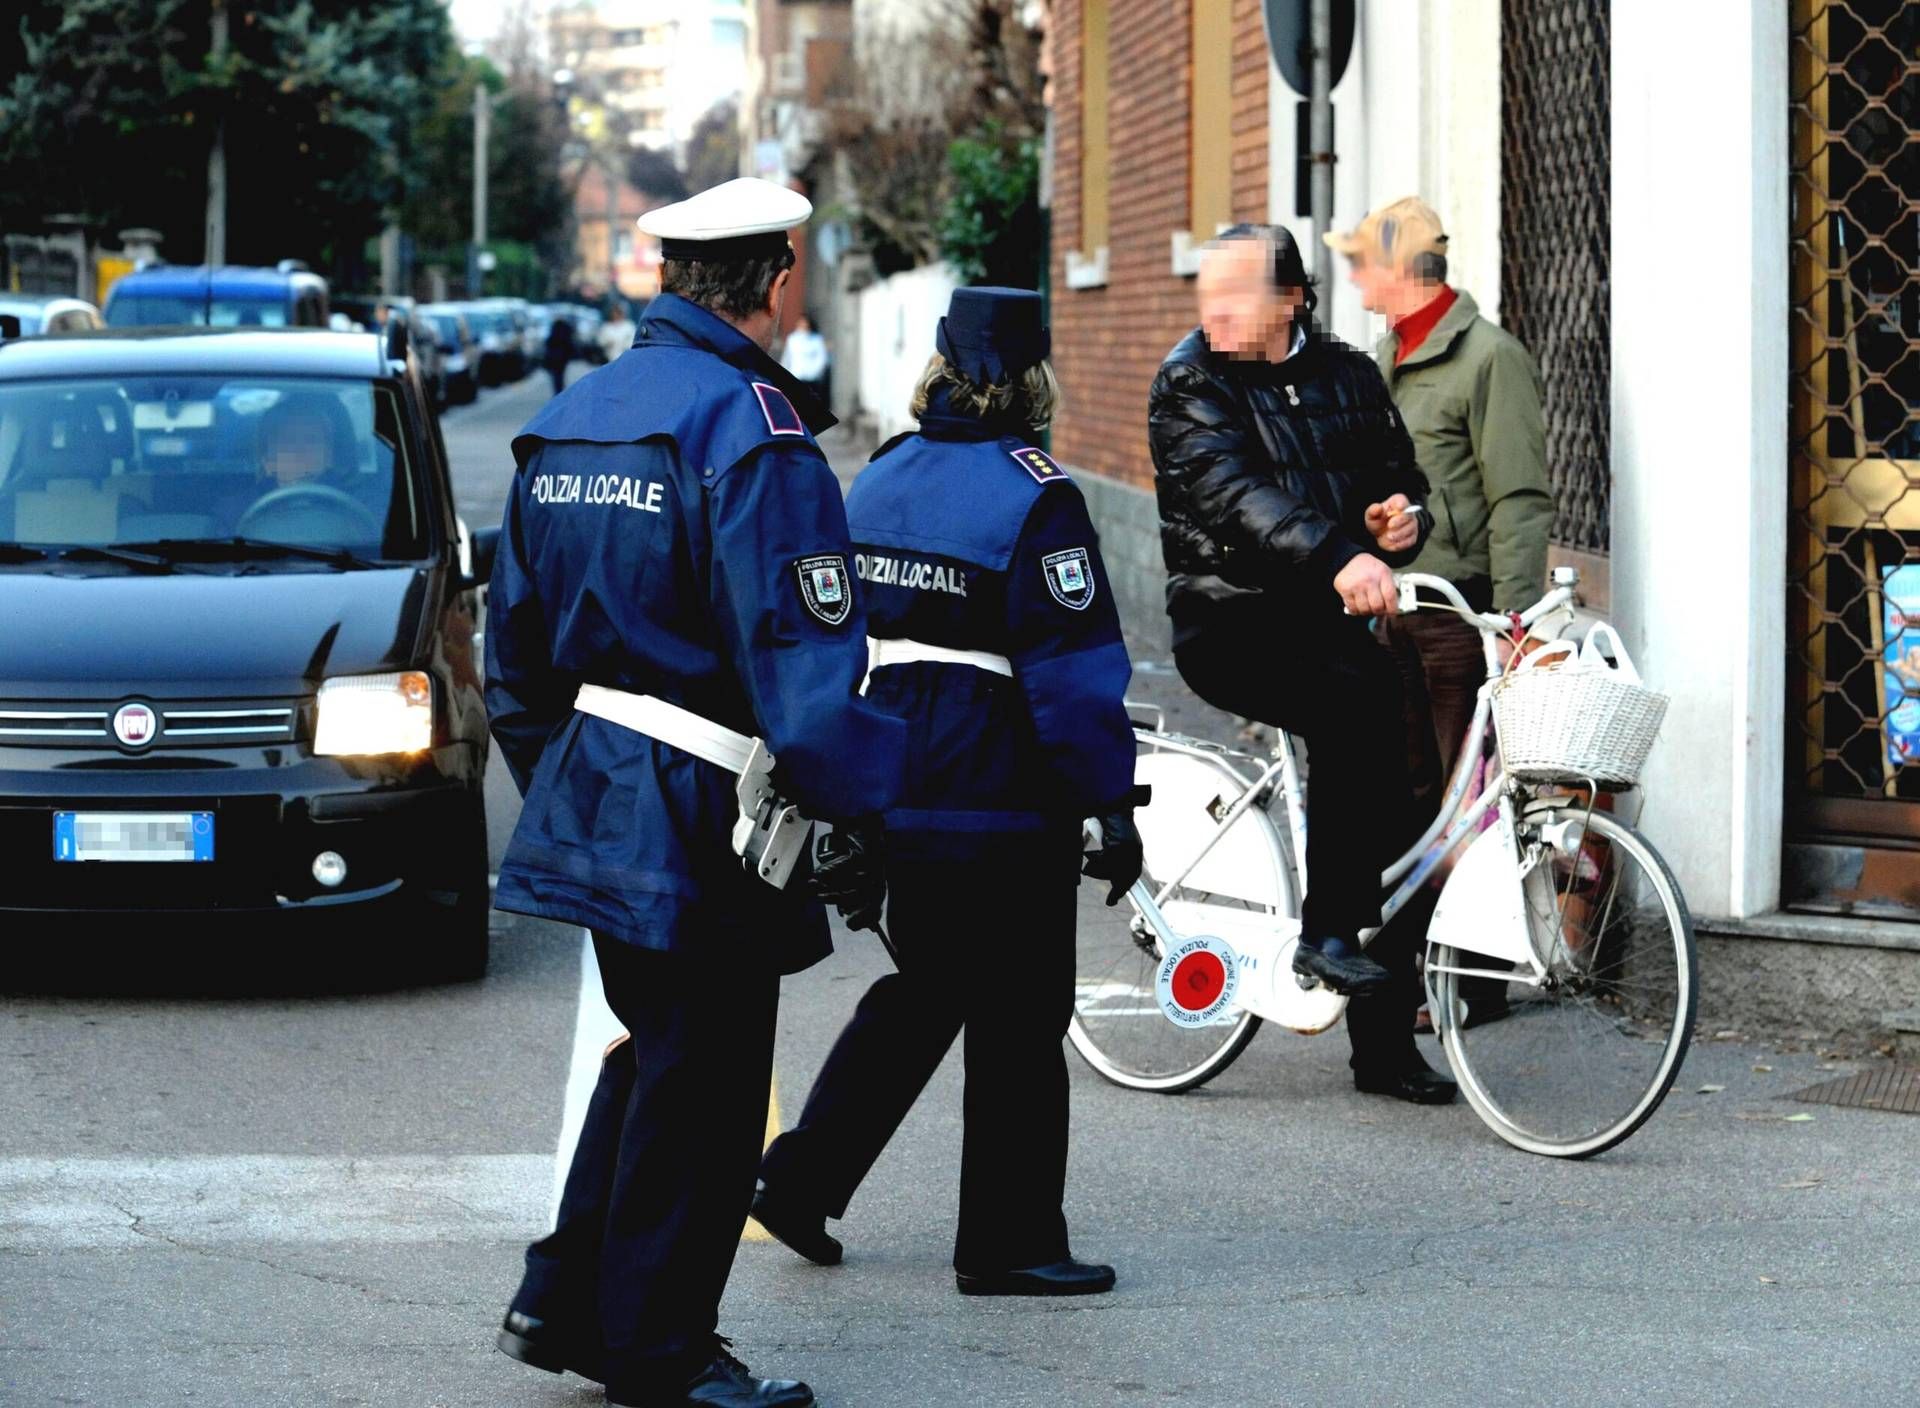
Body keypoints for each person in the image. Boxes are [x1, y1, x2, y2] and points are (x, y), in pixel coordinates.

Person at [485, 177, 906, 1408]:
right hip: (706, 802)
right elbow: (806, 666)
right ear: (778, 280)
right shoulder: (750, 429)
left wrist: (564, 785)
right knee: (711, 1082)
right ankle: (663, 1350)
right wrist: (866, 817)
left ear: (671, 276)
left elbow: (511, 655)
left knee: (660, 1050)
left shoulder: (577, 415)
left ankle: (563, 1297)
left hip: (598, 784)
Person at [750, 287, 1142, 1297]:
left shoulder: (877, 480)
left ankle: (797, 1183)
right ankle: (1009, 1241)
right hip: (1002, 801)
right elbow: (1075, 675)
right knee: (1018, 1016)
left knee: (922, 992)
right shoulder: (1035, 495)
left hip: (891, 790)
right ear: (1032, 381)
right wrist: (1109, 802)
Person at [1147, 224, 1456, 1106]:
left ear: (1292, 298)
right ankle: (1326, 931)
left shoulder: (1350, 375)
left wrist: (1402, 523)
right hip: (1231, 621)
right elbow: (1242, 500)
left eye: (1233, 293)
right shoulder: (1189, 383)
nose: (1212, 311)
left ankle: (1384, 1048)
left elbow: (1402, 483)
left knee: (1410, 809)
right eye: (1205, 292)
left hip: (1332, 622)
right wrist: (1341, 558)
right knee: (1357, 703)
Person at [1326, 197, 1554, 1031]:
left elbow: (1519, 496)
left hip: (1462, 619)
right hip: (1396, 611)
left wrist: (1516, 616)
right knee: (1410, 797)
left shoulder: (1490, 359)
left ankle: (1478, 981)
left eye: (1363, 262)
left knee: (1473, 803)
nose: (1354, 276)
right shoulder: (1385, 357)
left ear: (1406, 269)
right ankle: (1423, 965)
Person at [778, 314, 830, 412]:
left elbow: (822, 358)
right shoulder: (792, 339)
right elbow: (787, 357)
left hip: (811, 378)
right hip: (796, 375)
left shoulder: (816, 339)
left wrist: (815, 372)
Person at [543, 313, 576, 396]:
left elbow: (549, 342)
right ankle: (560, 391)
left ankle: (558, 391)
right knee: (560, 374)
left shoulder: (554, 329)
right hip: (563, 357)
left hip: (554, 356)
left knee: (556, 376)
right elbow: (570, 341)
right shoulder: (566, 328)